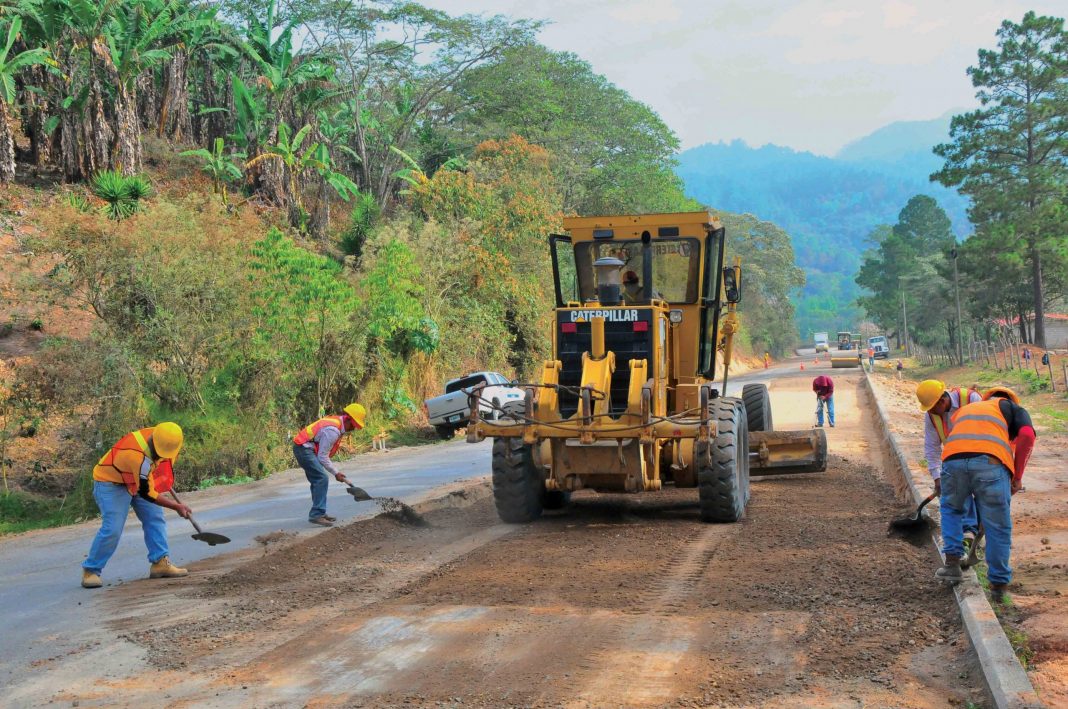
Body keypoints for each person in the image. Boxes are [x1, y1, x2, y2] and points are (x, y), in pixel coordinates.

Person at [935, 386, 1036, 603]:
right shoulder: (1012, 408)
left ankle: (952, 563)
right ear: (1010, 400)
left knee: (952, 508)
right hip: (991, 463)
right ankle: (998, 585)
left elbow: (967, 443)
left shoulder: (968, 409)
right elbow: (1027, 435)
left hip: (953, 460)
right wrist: (1017, 477)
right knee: (998, 525)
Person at [81, 422, 192, 589]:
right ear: (153, 440)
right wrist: (176, 506)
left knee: (155, 517)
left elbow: (159, 468)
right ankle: (91, 571)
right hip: (111, 482)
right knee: (113, 528)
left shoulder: (166, 438)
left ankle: (160, 562)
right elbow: (147, 493)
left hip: (137, 477)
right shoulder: (136, 455)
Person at [915, 380, 982, 541]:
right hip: (956, 459)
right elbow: (932, 448)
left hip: (982, 453)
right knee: (958, 484)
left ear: (943, 401)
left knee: (982, 494)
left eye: (932, 408)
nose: (930, 412)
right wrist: (937, 478)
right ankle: (969, 532)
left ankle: (979, 529)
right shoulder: (931, 416)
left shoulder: (972, 399)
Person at [293, 403, 367, 526]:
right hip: (304, 449)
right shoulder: (332, 430)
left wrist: (336, 472)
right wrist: (336, 473)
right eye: (353, 425)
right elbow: (323, 456)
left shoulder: (337, 423)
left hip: (307, 448)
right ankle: (317, 514)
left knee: (318, 480)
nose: (353, 429)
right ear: (348, 419)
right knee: (321, 478)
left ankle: (319, 512)